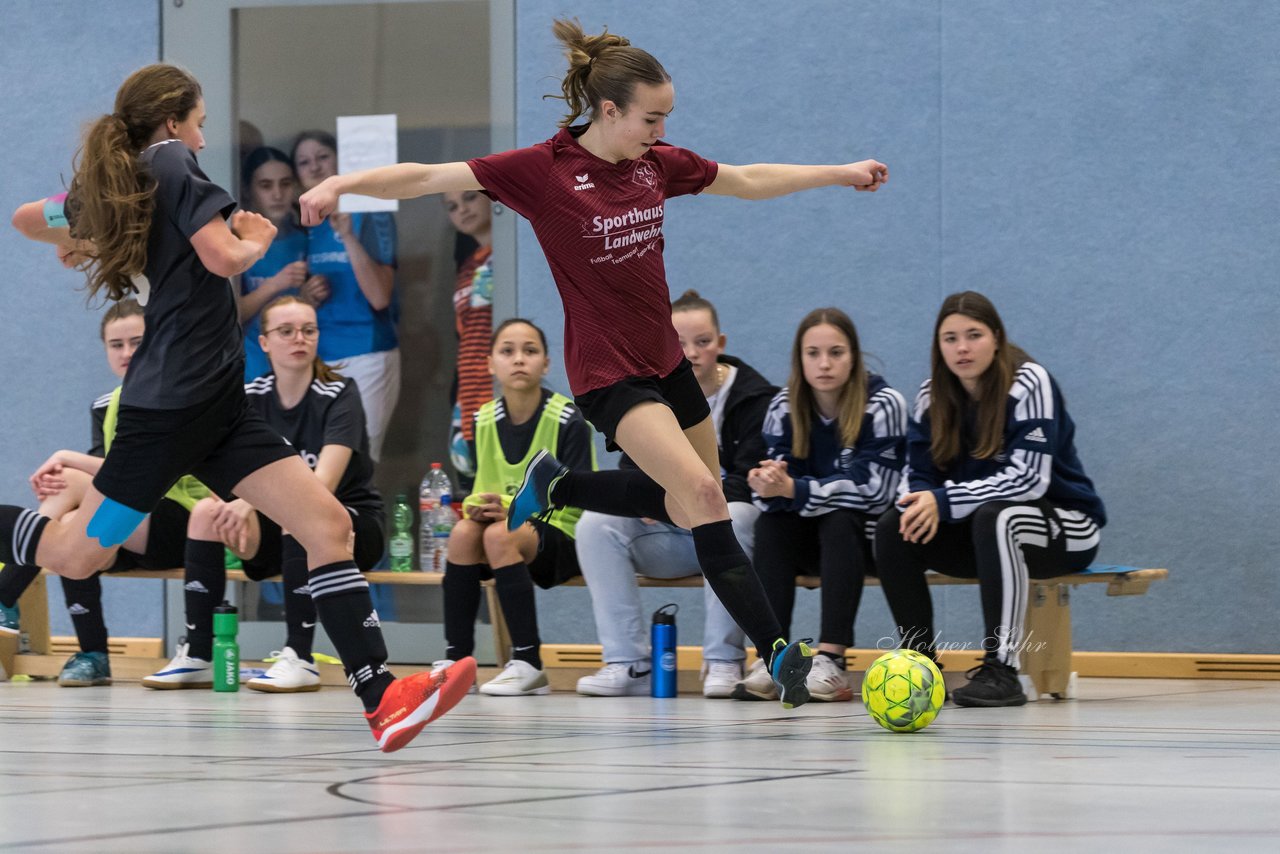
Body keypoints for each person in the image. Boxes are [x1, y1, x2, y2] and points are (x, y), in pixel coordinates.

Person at [299, 20, 890, 708]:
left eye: (665, 118)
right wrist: (342, 182)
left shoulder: (654, 164)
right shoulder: (542, 171)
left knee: (704, 502)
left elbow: (748, 178)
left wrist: (839, 173)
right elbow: (430, 175)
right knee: (701, 499)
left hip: (665, 362)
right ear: (609, 110)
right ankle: (780, 657)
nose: (659, 130)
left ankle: (561, 486)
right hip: (608, 372)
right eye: (651, 117)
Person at [7, 64, 472, 751]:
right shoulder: (170, 161)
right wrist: (254, 238)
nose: (202, 130)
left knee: (328, 526)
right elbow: (225, 257)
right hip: (164, 414)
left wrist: (87, 229)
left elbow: (26, 220)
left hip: (219, 411)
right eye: (198, 117)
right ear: (174, 121)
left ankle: (383, 700)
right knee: (76, 555)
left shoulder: (131, 179)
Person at [143, 296, 385, 694]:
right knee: (206, 511)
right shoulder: (249, 398)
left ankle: (299, 656)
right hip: (281, 525)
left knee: (299, 516)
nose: (299, 339)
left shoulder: (340, 393)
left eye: (308, 330)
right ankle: (199, 653)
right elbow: (224, 477)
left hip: (350, 526)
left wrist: (250, 501)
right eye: (286, 331)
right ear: (265, 342)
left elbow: (320, 485)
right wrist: (236, 504)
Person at [875, 291, 1106, 707]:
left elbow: (1029, 481)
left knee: (998, 517)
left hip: (1066, 527)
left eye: (974, 335)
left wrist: (942, 502)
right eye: (950, 339)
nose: (962, 348)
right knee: (895, 525)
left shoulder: (1029, 381)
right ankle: (921, 667)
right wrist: (919, 503)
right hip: (984, 533)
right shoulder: (931, 396)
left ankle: (1002, 669)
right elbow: (917, 479)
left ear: (996, 338)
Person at [574, 290, 774, 698]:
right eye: (680, 343)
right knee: (595, 524)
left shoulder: (755, 398)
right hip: (668, 529)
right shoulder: (648, 390)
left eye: (702, 342)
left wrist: (690, 495)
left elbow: (748, 475)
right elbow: (632, 467)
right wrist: (672, 498)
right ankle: (626, 661)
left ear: (721, 343)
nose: (692, 352)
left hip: (726, 537)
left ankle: (723, 659)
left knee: (740, 513)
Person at [0, 300, 205, 687]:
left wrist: (67, 459)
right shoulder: (106, 405)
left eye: (137, 342)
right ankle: (93, 655)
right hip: (128, 525)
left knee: (76, 487)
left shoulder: (182, 396)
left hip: (187, 526)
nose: (127, 353)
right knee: (74, 521)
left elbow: (151, 475)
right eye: (116, 344)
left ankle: (5, 593)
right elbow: (107, 483)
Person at [734, 308, 907, 703]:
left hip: (865, 543)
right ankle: (772, 655)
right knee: (771, 524)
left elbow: (875, 490)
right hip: (804, 540)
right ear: (800, 359)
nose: (824, 364)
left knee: (840, 518)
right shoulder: (783, 405)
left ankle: (831, 657)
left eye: (836, 352)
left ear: (854, 356)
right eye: (813, 353)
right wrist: (768, 483)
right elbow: (775, 489)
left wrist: (796, 489)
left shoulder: (883, 403)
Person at [436, 319, 594, 696]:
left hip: (566, 537)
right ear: (491, 364)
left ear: (547, 363)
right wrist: (478, 506)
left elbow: (578, 499)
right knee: (462, 533)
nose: (519, 360)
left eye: (530, 351)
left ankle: (528, 662)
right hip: (506, 531)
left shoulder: (568, 419)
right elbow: (478, 489)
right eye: (507, 351)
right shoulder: (484, 419)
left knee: (500, 533)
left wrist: (507, 507)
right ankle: (458, 661)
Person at [292, 130, 399, 461]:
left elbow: (380, 296)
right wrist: (306, 295)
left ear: (341, 160)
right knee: (316, 460)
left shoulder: (370, 212)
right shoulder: (302, 223)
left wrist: (348, 237)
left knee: (356, 460)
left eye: (323, 156)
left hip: (366, 352)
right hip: (315, 357)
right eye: (304, 162)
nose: (314, 167)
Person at [236, 146, 317, 381]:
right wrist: (275, 284)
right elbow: (231, 313)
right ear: (248, 190)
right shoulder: (237, 243)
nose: (277, 194)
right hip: (252, 366)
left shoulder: (305, 238)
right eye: (266, 185)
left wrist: (309, 296)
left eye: (285, 183)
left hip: (299, 365)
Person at [443, 189, 495, 485]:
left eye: (469, 198)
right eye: (452, 206)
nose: (462, 209)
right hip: (470, 394)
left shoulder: (512, 257)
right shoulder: (466, 267)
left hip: (501, 388)